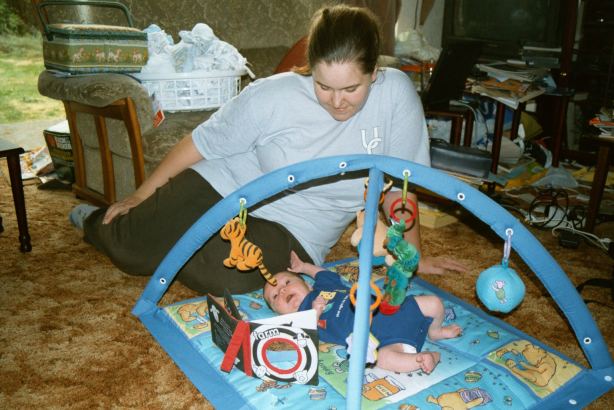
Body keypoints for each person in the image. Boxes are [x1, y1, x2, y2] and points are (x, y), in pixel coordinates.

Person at [71, 5, 466, 296]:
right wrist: (141, 195)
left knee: (230, 275)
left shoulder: (396, 96)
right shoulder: (271, 96)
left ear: (374, 72)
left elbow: (401, 188)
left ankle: (172, 234)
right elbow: (200, 143)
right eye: (324, 86)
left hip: (297, 228)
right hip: (224, 186)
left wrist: (411, 258)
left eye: (351, 88)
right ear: (311, 68)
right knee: (130, 251)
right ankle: (96, 221)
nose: (337, 101)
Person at [264, 251, 462, 374]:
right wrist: (315, 313)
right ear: (279, 313)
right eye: (275, 296)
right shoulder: (298, 320)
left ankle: (434, 331)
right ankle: (424, 358)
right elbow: (304, 338)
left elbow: (322, 273)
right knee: (382, 359)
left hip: (391, 309)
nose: (282, 290)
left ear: (307, 284)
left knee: (434, 302)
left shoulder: (322, 286)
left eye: (287, 282)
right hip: (378, 338)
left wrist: (304, 267)